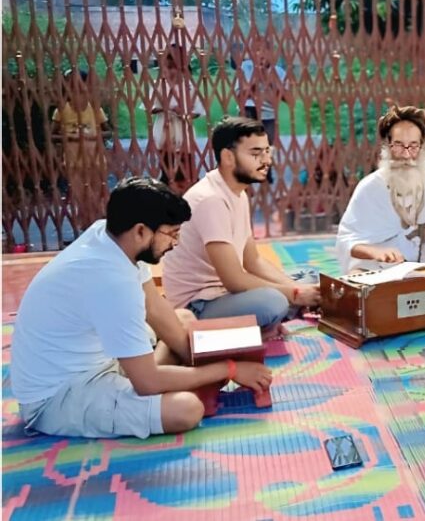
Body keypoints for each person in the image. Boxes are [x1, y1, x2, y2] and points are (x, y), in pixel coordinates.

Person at [11, 177, 272, 439]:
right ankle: (181, 383)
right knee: (186, 409)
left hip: (96, 360)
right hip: (58, 396)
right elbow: (148, 383)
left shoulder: (114, 239)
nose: (176, 243)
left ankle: (183, 378)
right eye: (172, 234)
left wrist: (204, 362)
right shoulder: (112, 282)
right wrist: (229, 369)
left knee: (181, 318)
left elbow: (155, 308)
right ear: (140, 231)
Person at [161, 117, 320, 336]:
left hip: (226, 294)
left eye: (267, 151)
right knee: (273, 302)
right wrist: (294, 294)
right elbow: (235, 280)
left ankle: (270, 320)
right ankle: (267, 321)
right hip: (199, 305)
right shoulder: (211, 200)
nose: (266, 160)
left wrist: (298, 289)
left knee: (309, 276)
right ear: (228, 157)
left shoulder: (238, 194)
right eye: (256, 153)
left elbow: (253, 260)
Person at [335, 105, 425, 275]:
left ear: (421, 146)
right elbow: (346, 240)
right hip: (379, 268)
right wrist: (375, 252)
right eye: (399, 145)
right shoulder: (370, 187)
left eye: (413, 146)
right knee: (357, 277)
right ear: (388, 145)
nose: (406, 155)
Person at [52, 68, 112, 225]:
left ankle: (100, 225)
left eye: (79, 84)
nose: (75, 89)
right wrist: (68, 137)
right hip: (73, 160)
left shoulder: (95, 109)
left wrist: (93, 136)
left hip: (95, 158)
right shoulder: (62, 110)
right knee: (80, 197)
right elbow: (52, 135)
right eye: (70, 84)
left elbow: (108, 132)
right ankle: (86, 226)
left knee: (97, 195)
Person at [150, 44, 205, 194]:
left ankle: (188, 194)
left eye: (175, 67)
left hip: (183, 129)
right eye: (168, 67)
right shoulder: (159, 85)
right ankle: (167, 195)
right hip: (164, 129)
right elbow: (151, 107)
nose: (171, 71)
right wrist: (167, 108)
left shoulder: (189, 86)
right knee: (166, 167)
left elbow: (198, 111)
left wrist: (185, 113)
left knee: (186, 167)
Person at [234, 41, 290, 146]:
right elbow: (239, 96)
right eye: (256, 50)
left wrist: (272, 80)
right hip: (248, 112)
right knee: (247, 147)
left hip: (268, 115)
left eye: (264, 50)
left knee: (266, 147)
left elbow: (290, 100)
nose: (260, 54)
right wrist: (256, 77)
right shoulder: (245, 67)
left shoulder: (279, 72)